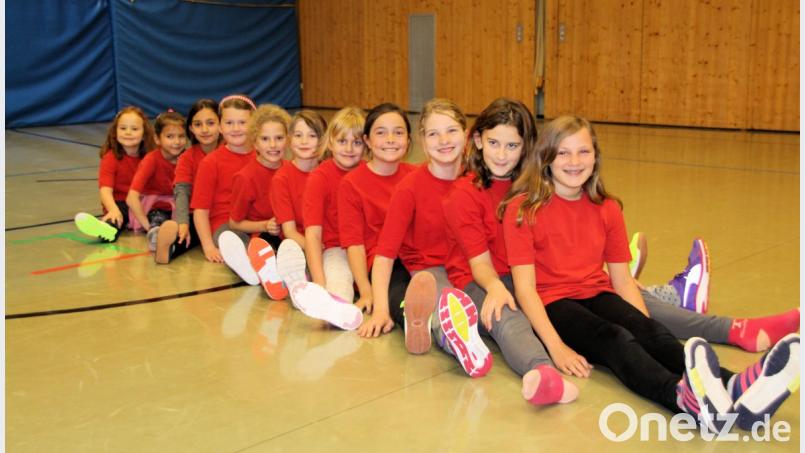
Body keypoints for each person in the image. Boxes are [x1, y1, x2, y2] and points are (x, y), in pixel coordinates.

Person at [501, 115, 799, 431]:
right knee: (615, 339)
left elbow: (622, 280)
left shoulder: (607, 207)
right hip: (553, 304)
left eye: (583, 152)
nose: (574, 161)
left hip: (597, 292)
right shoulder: (523, 210)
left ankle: (738, 387)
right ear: (546, 157)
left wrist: (646, 327)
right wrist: (555, 346)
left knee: (649, 333)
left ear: (596, 156)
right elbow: (525, 289)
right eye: (563, 152)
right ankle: (680, 397)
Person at [361, 98, 493, 378]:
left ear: (467, 135)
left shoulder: (478, 179)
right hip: (430, 270)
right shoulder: (409, 189)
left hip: (471, 266)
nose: (444, 140)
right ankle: (455, 341)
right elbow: (384, 255)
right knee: (446, 304)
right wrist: (381, 310)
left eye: (451, 131)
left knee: (495, 308)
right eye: (433, 133)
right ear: (421, 140)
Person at [337, 103, 416, 315]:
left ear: (408, 140)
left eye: (398, 133)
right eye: (381, 133)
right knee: (402, 299)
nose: (390, 139)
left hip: (417, 259)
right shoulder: (351, 183)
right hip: (382, 266)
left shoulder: (416, 175)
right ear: (367, 141)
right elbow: (353, 243)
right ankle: (414, 321)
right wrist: (365, 290)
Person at [218, 104, 290, 300]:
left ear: (288, 140)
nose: (273, 145)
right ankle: (266, 270)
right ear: (255, 143)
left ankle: (286, 273)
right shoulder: (246, 177)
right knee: (270, 246)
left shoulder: (291, 169)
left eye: (279, 138)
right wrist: (265, 225)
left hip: (291, 234)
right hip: (264, 235)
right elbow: (234, 223)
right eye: (265, 139)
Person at [298, 106, 367, 303]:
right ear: (330, 142)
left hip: (364, 248)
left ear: (366, 145)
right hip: (335, 248)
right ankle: (327, 298)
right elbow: (313, 234)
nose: (349, 148)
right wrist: (320, 280)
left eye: (357, 142)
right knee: (339, 283)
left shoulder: (368, 171)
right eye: (342, 141)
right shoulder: (319, 178)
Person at [189, 94, 256, 263]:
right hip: (225, 226)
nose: (236, 128)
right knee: (235, 241)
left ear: (254, 125)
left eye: (242, 122)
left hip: (257, 223)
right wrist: (208, 246)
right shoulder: (211, 162)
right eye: (229, 123)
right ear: (220, 126)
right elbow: (200, 211)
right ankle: (250, 261)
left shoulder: (263, 156)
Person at [74, 106, 156, 242]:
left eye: (134, 129)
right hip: (120, 204)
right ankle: (107, 228)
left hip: (143, 202)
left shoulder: (150, 157)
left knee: (157, 212)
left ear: (144, 135)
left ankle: (158, 230)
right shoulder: (110, 158)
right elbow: (105, 190)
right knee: (116, 219)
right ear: (115, 132)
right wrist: (112, 209)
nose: (128, 133)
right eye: (123, 128)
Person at [155, 99, 221, 264]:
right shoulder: (187, 157)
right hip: (198, 215)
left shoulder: (230, 149)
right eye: (198, 124)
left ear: (221, 124)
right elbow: (182, 191)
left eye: (210, 123)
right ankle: (169, 248)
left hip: (225, 213)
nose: (204, 129)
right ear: (191, 128)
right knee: (186, 234)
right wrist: (182, 222)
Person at [126, 110, 186, 250]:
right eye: (170, 136)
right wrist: (146, 226)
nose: (177, 142)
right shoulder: (151, 160)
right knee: (159, 216)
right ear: (157, 139)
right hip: (154, 207)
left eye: (181, 136)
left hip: (178, 205)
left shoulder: (186, 158)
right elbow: (131, 197)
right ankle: (156, 233)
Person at [270, 110, 327, 249]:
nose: (304, 141)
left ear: (323, 140)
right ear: (290, 139)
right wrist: (314, 249)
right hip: (298, 243)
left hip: (329, 242)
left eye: (312, 136)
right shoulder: (281, 179)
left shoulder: (328, 171)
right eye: (298, 135)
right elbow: (290, 231)